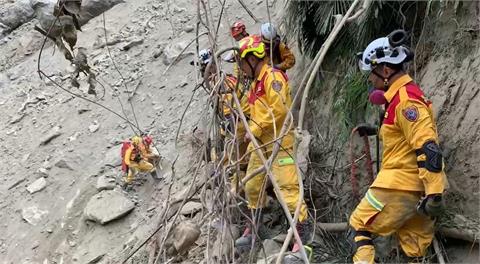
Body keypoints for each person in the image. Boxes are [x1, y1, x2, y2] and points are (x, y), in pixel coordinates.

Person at [350, 30, 447, 263]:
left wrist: (435, 194)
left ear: (385, 70)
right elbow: (407, 135)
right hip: (418, 191)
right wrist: (378, 131)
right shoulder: (402, 98)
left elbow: (427, 147)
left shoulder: (406, 101)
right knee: (413, 252)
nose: (370, 80)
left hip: (399, 186)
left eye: (372, 74)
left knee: (359, 227)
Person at [234, 35, 310, 258]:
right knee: (252, 186)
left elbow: (279, 111)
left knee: (288, 188)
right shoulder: (256, 84)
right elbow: (253, 116)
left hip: (280, 141)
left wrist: (254, 131)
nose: (240, 68)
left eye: (242, 62)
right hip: (261, 145)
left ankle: (302, 240)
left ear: (253, 58)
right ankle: (254, 229)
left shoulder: (273, 77)